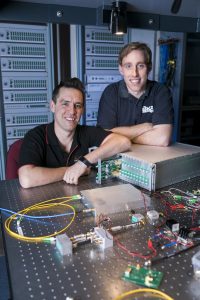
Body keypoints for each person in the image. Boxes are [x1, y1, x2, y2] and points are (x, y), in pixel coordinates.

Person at [18, 78, 131, 188]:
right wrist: (72, 169)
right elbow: (26, 178)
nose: (72, 111)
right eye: (65, 103)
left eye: (78, 105)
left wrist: (83, 163)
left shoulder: (86, 132)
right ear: (53, 106)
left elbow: (123, 142)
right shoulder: (36, 136)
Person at [97, 42, 174, 146]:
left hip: (152, 157)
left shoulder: (160, 92)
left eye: (140, 66)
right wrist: (144, 127)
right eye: (128, 66)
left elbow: (162, 139)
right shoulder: (110, 93)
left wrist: (120, 135)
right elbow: (102, 135)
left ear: (149, 68)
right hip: (120, 155)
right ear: (121, 69)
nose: (134, 73)